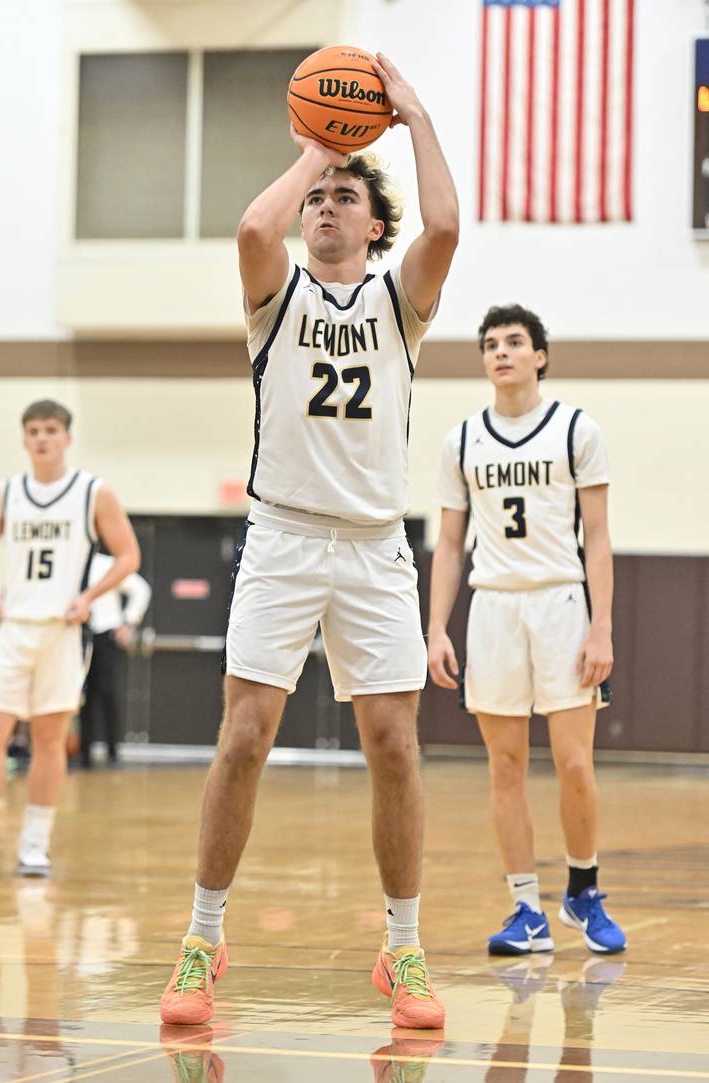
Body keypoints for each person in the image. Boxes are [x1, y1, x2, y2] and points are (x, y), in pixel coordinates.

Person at [160, 53, 459, 1030]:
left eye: (345, 196)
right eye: (318, 198)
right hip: (283, 537)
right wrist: (316, 150)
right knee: (244, 736)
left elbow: (446, 226)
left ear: (374, 225)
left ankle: (402, 948)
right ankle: (203, 938)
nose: (326, 205)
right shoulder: (275, 293)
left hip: (374, 546)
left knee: (395, 747)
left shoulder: (399, 304)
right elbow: (254, 227)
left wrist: (410, 117)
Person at [428, 304, 626, 957]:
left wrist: (601, 627)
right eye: (490, 344)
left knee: (574, 762)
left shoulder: (576, 429)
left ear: (540, 356)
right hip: (493, 607)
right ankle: (525, 908)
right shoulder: (461, 441)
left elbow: (598, 537)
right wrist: (436, 628)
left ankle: (583, 891)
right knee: (505, 765)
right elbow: (449, 544)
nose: (501, 352)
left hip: (561, 602)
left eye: (514, 342)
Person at [0, 399, 140, 877]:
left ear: (67, 437)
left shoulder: (92, 492)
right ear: (24, 439)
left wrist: (89, 597)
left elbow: (129, 556)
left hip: (62, 631)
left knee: (49, 738)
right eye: (34, 431)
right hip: (14, 626)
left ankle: (35, 846)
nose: (42, 438)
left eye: (51, 430)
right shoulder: (3, 495)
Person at [79, 551, 151, 768]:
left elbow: (141, 589)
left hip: (105, 634)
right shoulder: (72, 561)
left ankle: (112, 750)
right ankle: (84, 753)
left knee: (107, 693)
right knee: (82, 696)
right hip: (78, 634)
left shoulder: (107, 565)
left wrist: (127, 622)